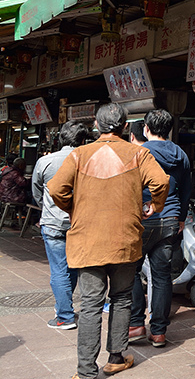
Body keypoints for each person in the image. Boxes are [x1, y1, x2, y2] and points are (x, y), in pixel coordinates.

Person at [48, 103, 169, 379]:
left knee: (90, 304)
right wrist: (155, 206)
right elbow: (161, 183)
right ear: (125, 127)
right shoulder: (139, 153)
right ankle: (115, 358)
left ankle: (85, 371)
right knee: (121, 298)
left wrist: (73, 209)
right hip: (125, 239)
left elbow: (56, 189)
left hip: (88, 240)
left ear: (96, 125)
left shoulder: (79, 154)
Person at [129, 109, 191, 348]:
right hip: (170, 219)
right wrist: (181, 218)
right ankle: (159, 332)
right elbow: (186, 189)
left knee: (132, 271)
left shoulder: (139, 153)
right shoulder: (181, 154)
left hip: (143, 218)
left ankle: (136, 324)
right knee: (162, 275)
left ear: (146, 128)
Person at [31, 120, 89, 330]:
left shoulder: (45, 162)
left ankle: (64, 315)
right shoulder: (88, 161)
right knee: (72, 267)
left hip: (53, 223)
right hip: (80, 223)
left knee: (59, 269)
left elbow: (37, 191)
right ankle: (64, 308)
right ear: (83, 140)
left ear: (61, 138)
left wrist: (48, 208)